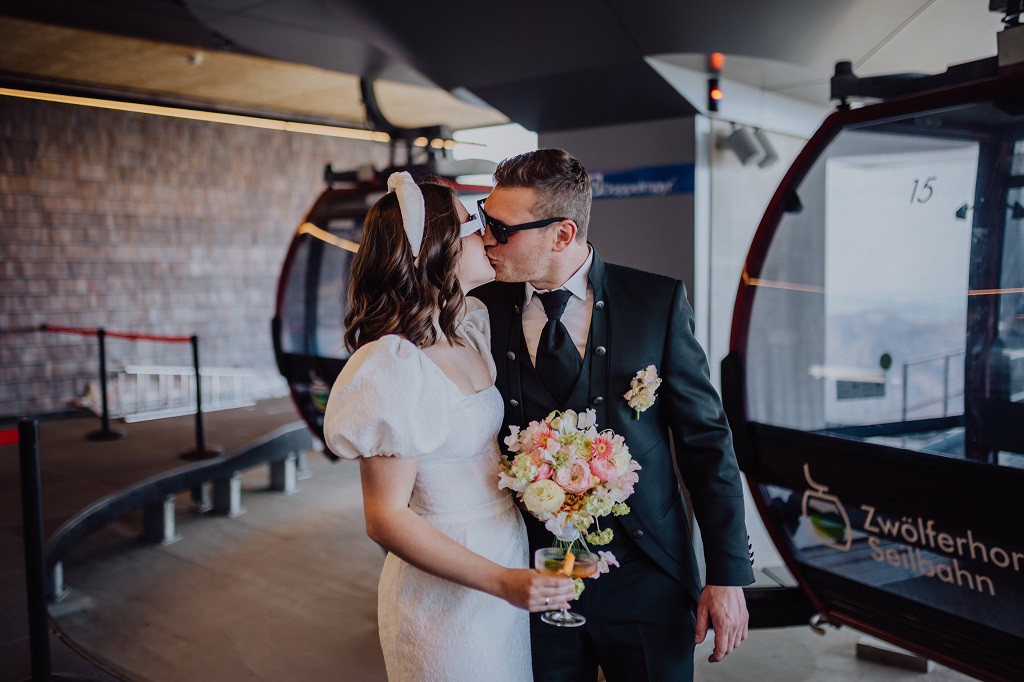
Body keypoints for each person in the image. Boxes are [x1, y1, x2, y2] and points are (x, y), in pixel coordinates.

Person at [472, 149, 754, 682]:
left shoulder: (656, 301)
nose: (487, 237)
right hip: (533, 576)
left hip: (649, 575)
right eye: (486, 220)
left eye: (501, 227)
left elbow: (706, 443)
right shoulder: (480, 309)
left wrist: (728, 574)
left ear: (561, 234)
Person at [323, 172, 575, 682]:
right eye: (469, 225)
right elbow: (385, 518)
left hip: (505, 560)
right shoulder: (393, 363)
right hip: (446, 589)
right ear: (433, 249)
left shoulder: (469, 327)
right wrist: (502, 582)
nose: (487, 234)